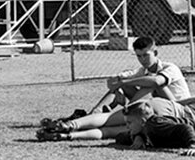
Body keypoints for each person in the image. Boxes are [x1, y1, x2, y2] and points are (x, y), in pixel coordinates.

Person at [37, 36, 191, 141]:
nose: (142, 59)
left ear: (155, 53)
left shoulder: (170, 68)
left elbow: (156, 82)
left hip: (174, 107)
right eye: (139, 56)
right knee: (114, 123)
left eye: (146, 55)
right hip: (154, 113)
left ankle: (73, 125)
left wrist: (123, 83)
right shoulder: (142, 71)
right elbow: (121, 79)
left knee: (150, 85)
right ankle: (73, 128)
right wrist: (118, 81)